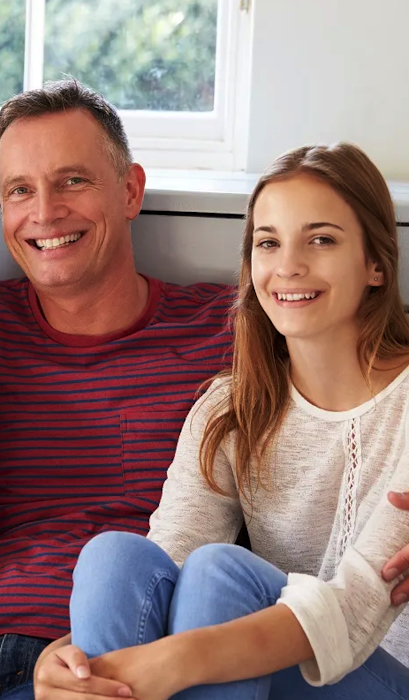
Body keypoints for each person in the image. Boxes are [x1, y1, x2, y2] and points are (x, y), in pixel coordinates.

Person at [0, 80, 234, 700]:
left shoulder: (224, 330)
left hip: (101, 660)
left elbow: (367, 360)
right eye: (20, 190)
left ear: (130, 190)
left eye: (72, 181)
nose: (44, 211)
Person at [33, 142, 409, 700]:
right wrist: (68, 658)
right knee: (114, 557)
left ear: (375, 263)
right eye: (268, 243)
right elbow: (165, 567)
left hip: (381, 676)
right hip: (256, 676)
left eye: (321, 240)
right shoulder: (230, 408)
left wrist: (181, 660)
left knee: (219, 574)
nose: (288, 266)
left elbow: (357, 607)